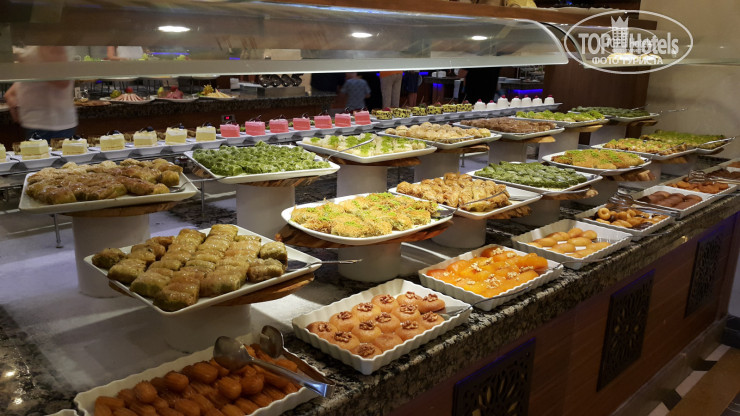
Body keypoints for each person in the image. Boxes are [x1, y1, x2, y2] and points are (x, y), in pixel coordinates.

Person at [5, 46, 78, 140]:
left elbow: (62, 80)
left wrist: (28, 63)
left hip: (52, 126)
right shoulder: (35, 49)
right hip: (38, 124)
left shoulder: (48, 45)